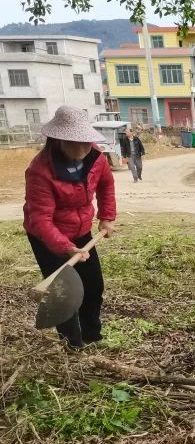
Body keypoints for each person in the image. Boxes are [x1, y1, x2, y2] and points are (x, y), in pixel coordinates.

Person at [23, 106, 117, 348]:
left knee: (93, 285)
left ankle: (91, 335)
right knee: (63, 294)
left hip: (81, 232)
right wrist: (66, 247)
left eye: (88, 141)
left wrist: (107, 216)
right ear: (60, 140)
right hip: (48, 238)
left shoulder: (95, 157)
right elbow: (41, 220)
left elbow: (106, 184)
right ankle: (71, 344)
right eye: (79, 142)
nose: (87, 147)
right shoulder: (40, 171)